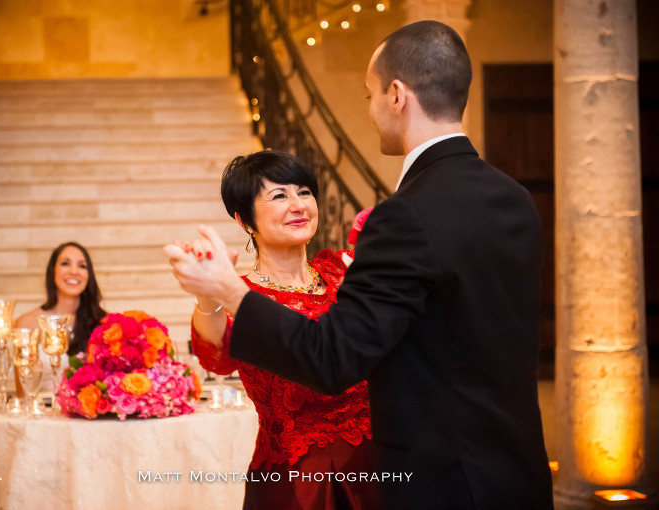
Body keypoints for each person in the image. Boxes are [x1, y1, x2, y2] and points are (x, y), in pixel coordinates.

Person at [165, 21, 554, 510]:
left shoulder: (401, 221)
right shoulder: (515, 199)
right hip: (513, 472)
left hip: (438, 481)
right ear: (246, 219)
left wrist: (230, 291)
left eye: (369, 94)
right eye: (279, 195)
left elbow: (332, 358)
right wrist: (219, 294)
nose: (369, 110)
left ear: (396, 95)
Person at [181, 150, 375, 510]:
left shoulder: (344, 271)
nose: (298, 204)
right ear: (245, 220)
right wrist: (210, 293)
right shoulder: (243, 297)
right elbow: (217, 359)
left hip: (381, 468)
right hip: (298, 484)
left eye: (304, 191)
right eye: (279, 196)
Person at [14, 241, 107, 395]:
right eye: (65, 263)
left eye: (82, 266)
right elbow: (22, 394)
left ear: (89, 275)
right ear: (53, 271)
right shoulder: (28, 323)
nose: (74, 271)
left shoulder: (104, 323)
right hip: (42, 415)